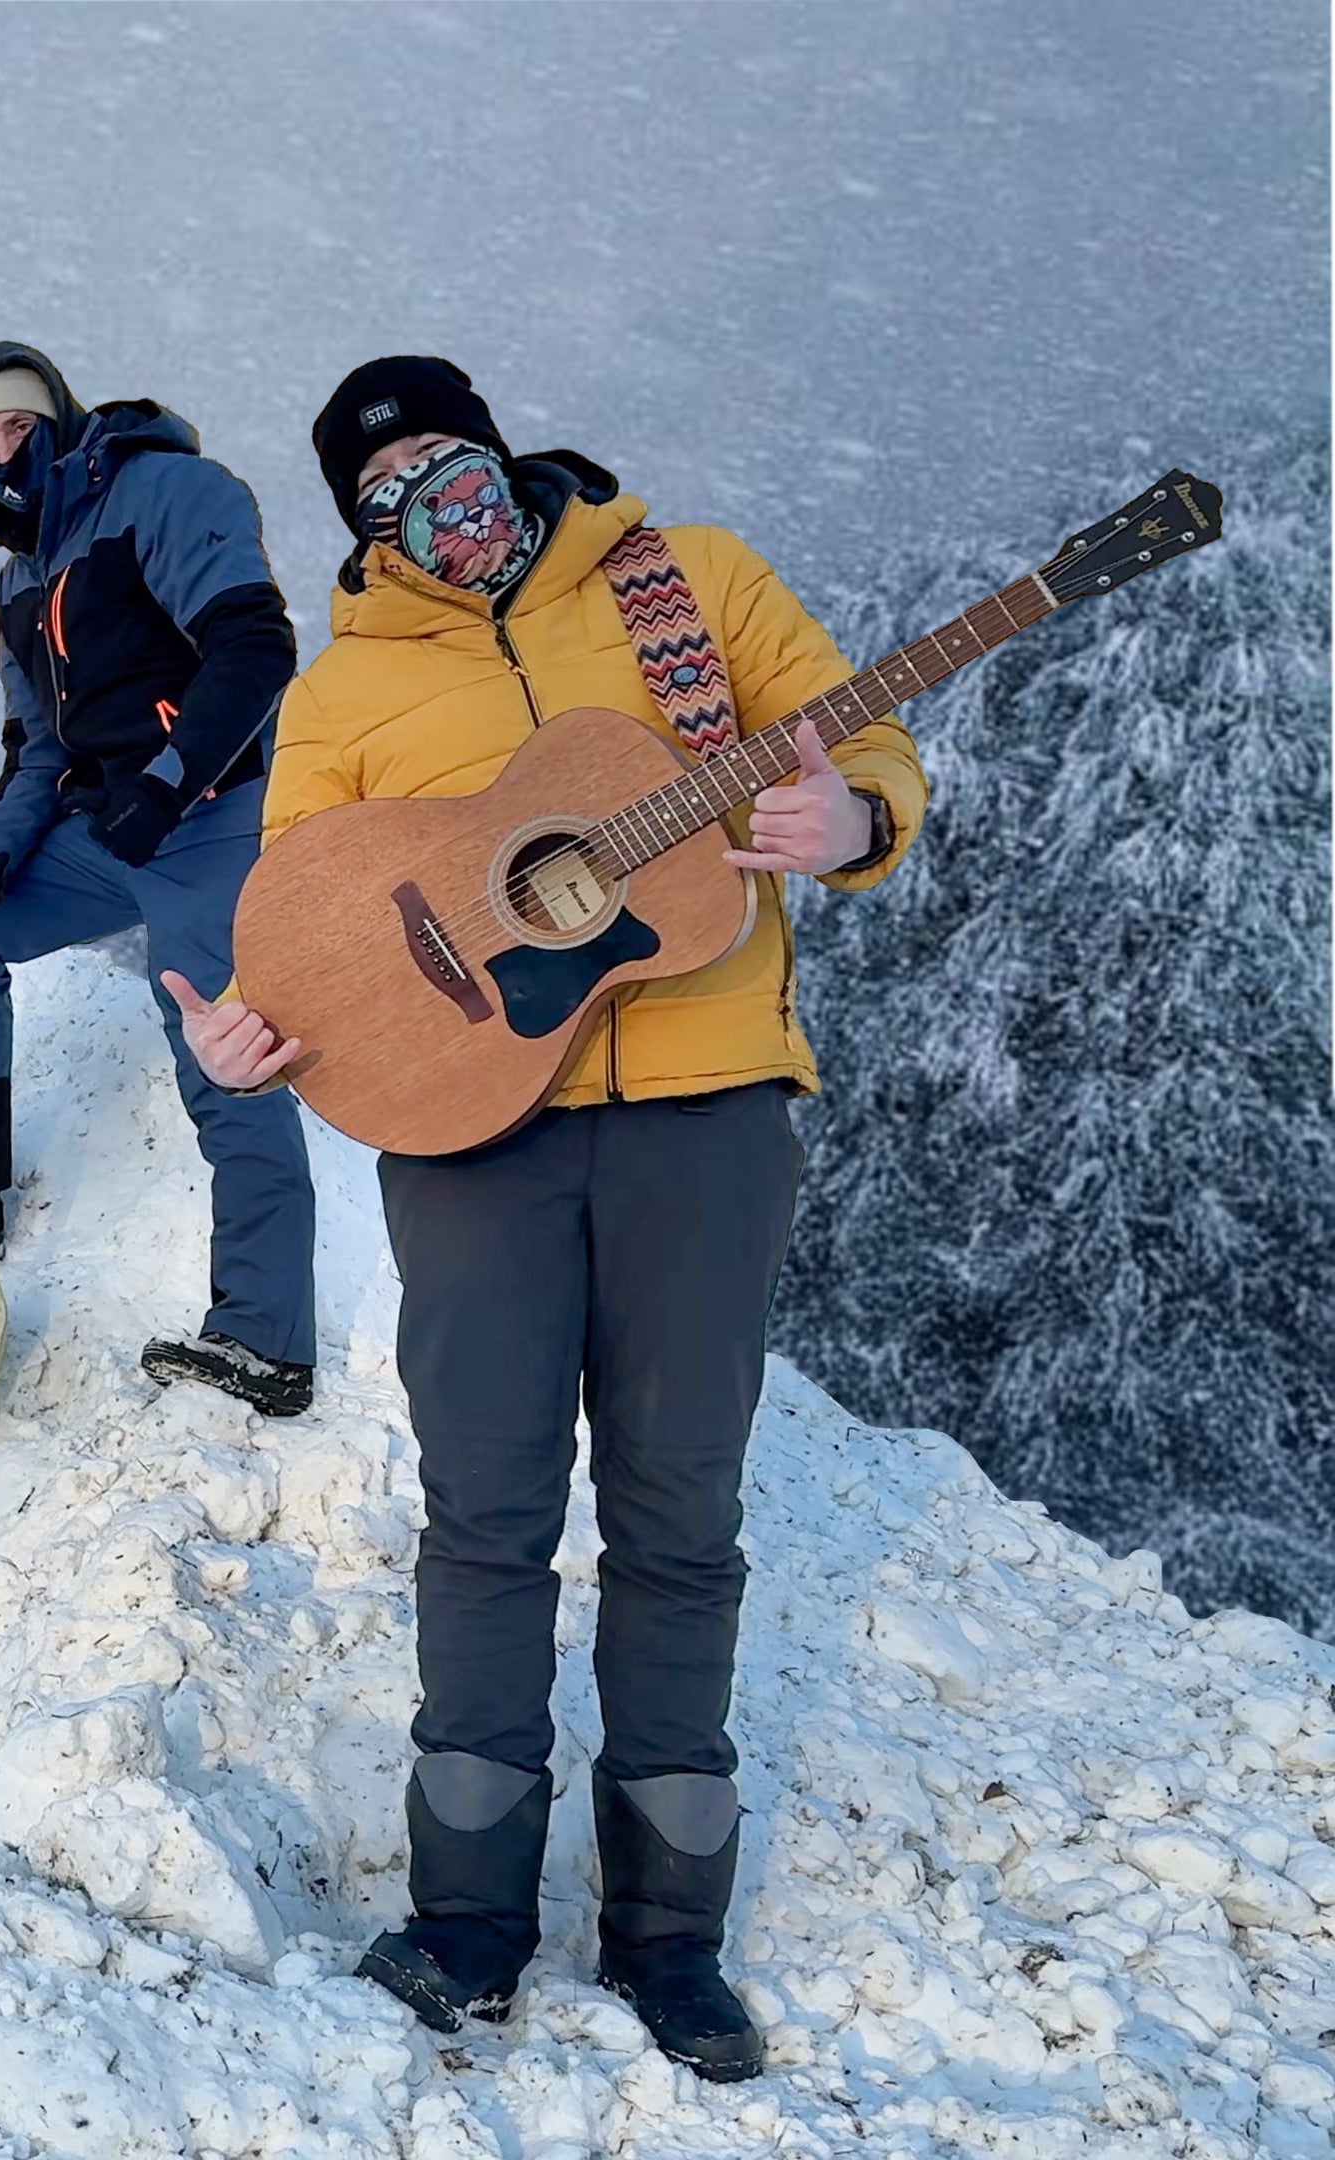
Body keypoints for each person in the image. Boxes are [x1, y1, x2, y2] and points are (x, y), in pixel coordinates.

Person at [176, 357, 926, 2080]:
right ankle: (466, 1925)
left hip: (706, 1112)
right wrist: (246, 1032)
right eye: (384, 495)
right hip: (469, 1135)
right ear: (360, 525)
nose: (429, 505)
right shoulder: (345, 686)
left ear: (500, 449)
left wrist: (856, 817)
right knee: (487, 1513)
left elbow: (861, 734)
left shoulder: (691, 584)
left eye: (446, 460)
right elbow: (301, 927)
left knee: (679, 1514)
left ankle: (671, 1939)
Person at [0, 344, 320, 1420]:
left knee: (222, 1046)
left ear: (59, 419)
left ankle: (265, 1338)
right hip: (112, 825)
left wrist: (168, 783)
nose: (2, 454)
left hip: (212, 816)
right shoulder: (18, 584)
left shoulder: (165, 489)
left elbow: (254, 649)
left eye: (18, 428)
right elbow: (37, 749)